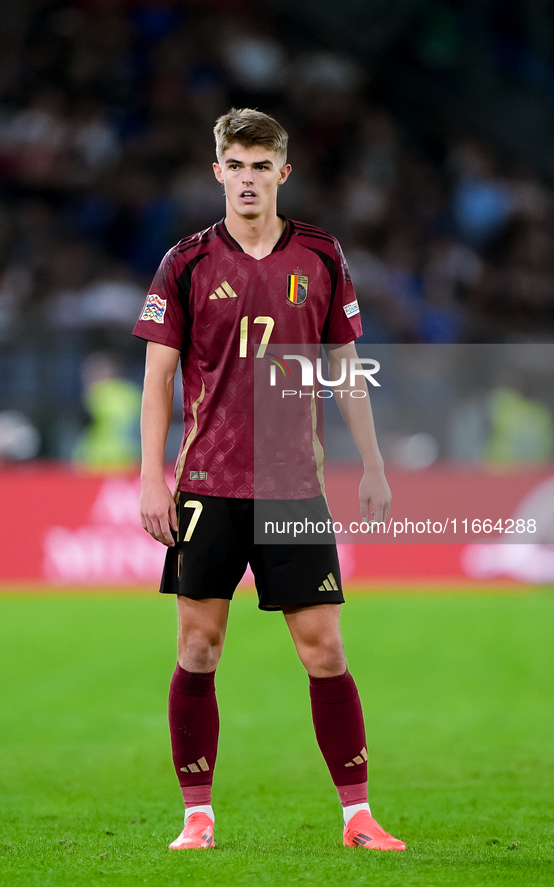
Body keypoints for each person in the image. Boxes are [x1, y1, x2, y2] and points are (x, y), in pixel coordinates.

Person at [133, 108, 405, 852]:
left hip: (292, 486)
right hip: (208, 485)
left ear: (282, 174)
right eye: (236, 164)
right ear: (215, 170)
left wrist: (374, 463)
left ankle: (357, 815)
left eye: (262, 166)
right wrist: (151, 477)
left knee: (323, 649)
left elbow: (347, 366)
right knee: (198, 648)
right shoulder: (185, 262)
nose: (247, 178)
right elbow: (158, 377)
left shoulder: (319, 255)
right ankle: (197, 816)